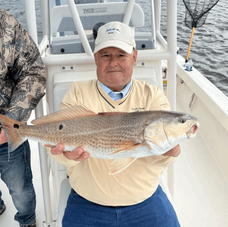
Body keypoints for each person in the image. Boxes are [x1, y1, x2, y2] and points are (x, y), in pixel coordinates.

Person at [48, 21, 181, 227]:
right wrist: (68, 157)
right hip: (87, 200)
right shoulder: (78, 93)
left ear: (134, 57)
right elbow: (58, 151)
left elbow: (158, 161)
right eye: (105, 55)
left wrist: (167, 154)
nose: (113, 63)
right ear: (95, 59)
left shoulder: (152, 95)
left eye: (121, 55)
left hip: (145, 200)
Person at [0, 0, 46, 227]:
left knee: (21, 188)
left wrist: (13, 122)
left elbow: (33, 71)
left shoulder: (2, 23)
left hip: (5, 137)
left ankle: (27, 220)